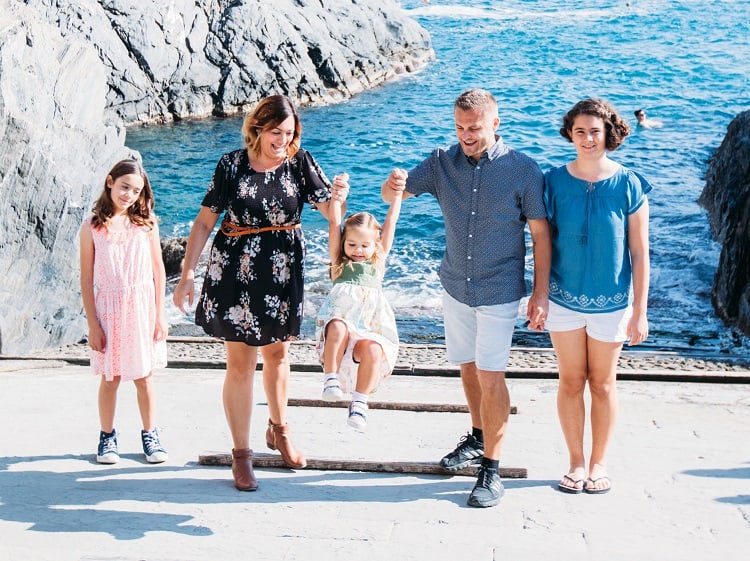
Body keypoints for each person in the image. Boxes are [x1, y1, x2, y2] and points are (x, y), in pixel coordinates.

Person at [382, 89, 551, 508]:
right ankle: (477, 437)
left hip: (499, 289)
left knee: (492, 376)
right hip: (455, 284)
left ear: (495, 123)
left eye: (474, 128)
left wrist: (540, 292)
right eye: (459, 128)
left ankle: (491, 470)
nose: (466, 136)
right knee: (469, 368)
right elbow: (393, 198)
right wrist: (392, 186)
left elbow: (541, 236)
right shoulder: (442, 163)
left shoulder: (523, 170)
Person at [172, 95, 349, 492]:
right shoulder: (231, 164)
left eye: (289, 133)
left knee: (278, 353)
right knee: (240, 362)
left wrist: (338, 196)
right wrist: (187, 274)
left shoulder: (300, 162)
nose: (283, 141)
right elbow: (203, 223)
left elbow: (329, 212)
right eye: (275, 133)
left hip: (282, 271)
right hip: (236, 269)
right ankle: (241, 454)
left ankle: (280, 429)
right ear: (257, 128)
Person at [545, 98, 651, 495]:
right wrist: (537, 296)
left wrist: (640, 312)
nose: (588, 139)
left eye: (595, 131)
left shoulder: (629, 183)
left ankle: (598, 463)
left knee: (603, 384)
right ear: (569, 135)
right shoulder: (553, 181)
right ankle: (574, 463)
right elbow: (541, 244)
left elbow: (640, 253)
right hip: (562, 299)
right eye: (580, 131)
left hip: (613, 302)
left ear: (608, 133)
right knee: (571, 380)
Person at [79, 159, 169, 465]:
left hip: (141, 307)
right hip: (109, 310)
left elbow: (158, 270)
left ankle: (150, 434)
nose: (129, 195)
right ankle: (107, 436)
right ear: (109, 182)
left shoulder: (147, 224)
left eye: (136, 190)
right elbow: (87, 278)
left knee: (144, 376)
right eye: (124, 187)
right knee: (111, 377)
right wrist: (93, 324)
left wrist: (160, 314)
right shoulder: (92, 227)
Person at [314, 189, 403, 431]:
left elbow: (391, 222)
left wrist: (397, 196)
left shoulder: (379, 260)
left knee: (374, 350)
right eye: (352, 244)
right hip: (340, 327)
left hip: (370, 328)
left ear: (375, 245)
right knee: (338, 325)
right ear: (343, 243)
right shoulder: (338, 263)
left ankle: (360, 403)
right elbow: (334, 222)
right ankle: (330, 379)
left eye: (365, 245)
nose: (358, 250)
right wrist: (337, 199)